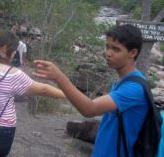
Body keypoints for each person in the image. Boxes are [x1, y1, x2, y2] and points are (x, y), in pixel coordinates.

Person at [33, 24, 149, 157]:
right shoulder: (124, 81)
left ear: (132, 53)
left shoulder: (134, 88)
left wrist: (59, 77)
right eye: (107, 47)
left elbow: (90, 109)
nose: (108, 53)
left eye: (116, 49)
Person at [0, 30, 66, 157]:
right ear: (5, 48)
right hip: (2, 127)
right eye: (14, 49)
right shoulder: (13, 74)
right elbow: (43, 89)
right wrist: (68, 95)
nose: (15, 52)